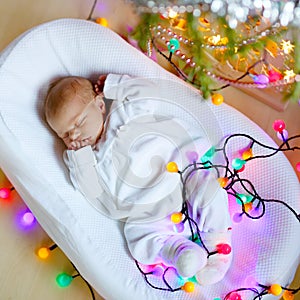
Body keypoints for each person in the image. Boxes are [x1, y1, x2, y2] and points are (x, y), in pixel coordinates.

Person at [44, 73, 232, 285]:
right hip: (148, 210)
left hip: (181, 172)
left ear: (99, 105)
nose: (75, 135)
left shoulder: (122, 114)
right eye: (65, 135)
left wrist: (114, 85)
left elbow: (149, 92)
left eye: (79, 123)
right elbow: (90, 190)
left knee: (207, 189)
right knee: (139, 239)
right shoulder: (91, 160)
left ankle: (218, 246)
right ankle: (181, 253)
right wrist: (79, 158)